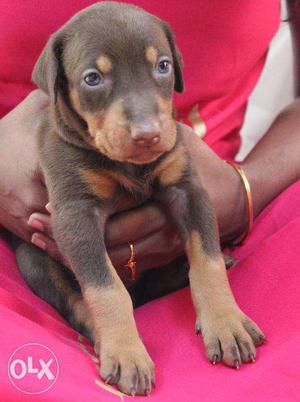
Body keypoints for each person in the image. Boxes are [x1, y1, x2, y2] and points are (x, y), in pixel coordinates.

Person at [0, 1, 300, 401]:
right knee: (32, 264)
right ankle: (89, 318)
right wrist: (114, 322)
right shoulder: (70, 150)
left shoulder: (168, 141)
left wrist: (245, 190)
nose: (146, 125)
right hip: (32, 249)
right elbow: (76, 221)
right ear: (59, 87)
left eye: (160, 68)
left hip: (238, 203)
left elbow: (189, 196)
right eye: (94, 79)